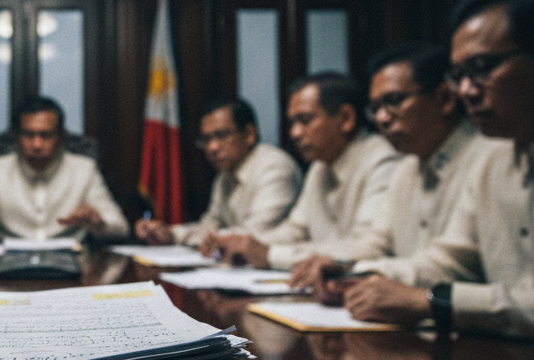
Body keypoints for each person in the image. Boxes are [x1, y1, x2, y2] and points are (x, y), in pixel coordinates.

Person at [333, 0, 534, 337]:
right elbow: (453, 259)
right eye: (461, 76)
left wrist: (430, 300)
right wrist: (358, 277)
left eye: (483, 67)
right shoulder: (497, 155)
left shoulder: (481, 151)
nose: (467, 91)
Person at [291, 43, 503, 291]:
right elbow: (376, 242)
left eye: (394, 101)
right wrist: (345, 267)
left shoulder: (487, 156)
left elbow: (454, 264)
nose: (382, 119)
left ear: (445, 99)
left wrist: (362, 271)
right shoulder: (407, 167)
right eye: (376, 108)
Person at [203, 72, 400, 270]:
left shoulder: (383, 161)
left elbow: (367, 248)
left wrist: (271, 255)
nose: (294, 133)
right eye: (292, 123)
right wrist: (241, 244)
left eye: (305, 120)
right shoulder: (320, 167)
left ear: (346, 118)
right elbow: (294, 230)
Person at [0, 95, 129, 242]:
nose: (36, 144)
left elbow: (121, 228)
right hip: (8, 269)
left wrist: (98, 223)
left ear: (61, 137)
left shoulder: (84, 170)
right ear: (16, 137)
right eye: (28, 135)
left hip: (71, 268)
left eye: (46, 135)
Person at [135, 96, 301, 246]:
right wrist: (171, 233)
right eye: (206, 139)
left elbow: (253, 234)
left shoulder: (275, 167)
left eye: (221, 135)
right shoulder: (225, 175)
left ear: (250, 134)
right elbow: (210, 225)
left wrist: (191, 237)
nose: (212, 147)